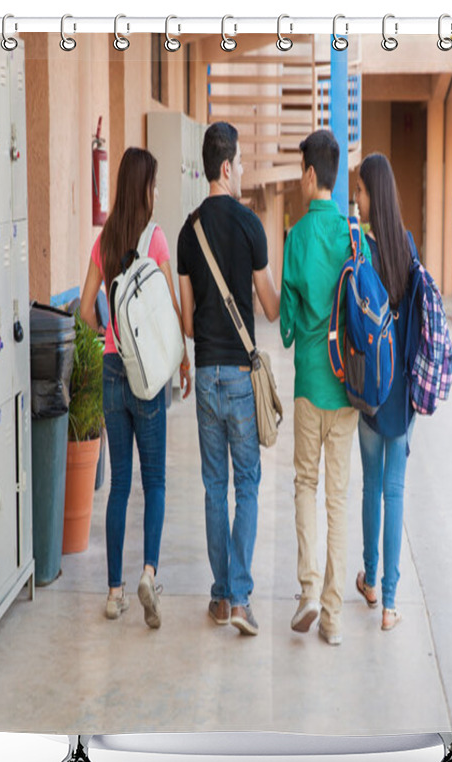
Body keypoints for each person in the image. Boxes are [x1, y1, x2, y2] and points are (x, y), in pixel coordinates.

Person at [80, 146, 191, 629]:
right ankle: (148, 572)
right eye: (155, 183)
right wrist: (182, 358)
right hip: (148, 377)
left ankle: (113, 592)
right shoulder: (156, 239)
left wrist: (109, 336)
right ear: (144, 188)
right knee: (156, 481)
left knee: (119, 485)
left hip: (111, 369)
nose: (157, 191)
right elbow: (169, 311)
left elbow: (85, 310)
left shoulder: (104, 242)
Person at [176, 122, 280, 637]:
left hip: (206, 373)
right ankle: (239, 597)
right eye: (239, 164)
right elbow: (270, 307)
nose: (242, 172)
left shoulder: (186, 230)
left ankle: (221, 598)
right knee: (250, 486)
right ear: (225, 167)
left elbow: (187, 321)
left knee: (214, 489)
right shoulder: (250, 226)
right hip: (241, 376)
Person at [280, 129, 372, 646]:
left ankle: (309, 590)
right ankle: (333, 618)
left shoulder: (295, 237)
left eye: (301, 171)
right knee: (338, 498)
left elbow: (288, 328)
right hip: (347, 390)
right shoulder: (352, 237)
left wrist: (298, 317)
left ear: (311, 174)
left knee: (304, 486)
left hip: (309, 384)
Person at [353, 153, 418, 631]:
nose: (356, 198)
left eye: (360, 190)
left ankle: (370, 582)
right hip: (404, 392)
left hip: (371, 390)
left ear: (374, 195)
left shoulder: (362, 251)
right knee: (394, 490)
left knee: (372, 486)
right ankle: (391, 605)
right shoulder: (408, 248)